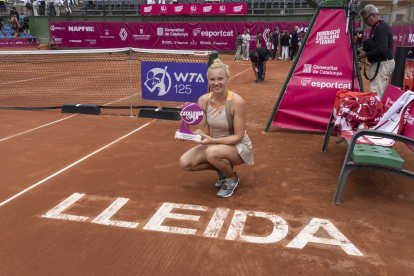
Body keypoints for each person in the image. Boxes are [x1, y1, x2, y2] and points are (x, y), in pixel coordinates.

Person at [178, 59, 254, 198]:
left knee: (211, 152)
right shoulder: (203, 100)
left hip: (238, 146)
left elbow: (238, 136)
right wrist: (188, 134)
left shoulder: (237, 102)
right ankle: (222, 169)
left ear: (227, 79)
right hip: (215, 143)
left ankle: (231, 178)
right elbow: (203, 131)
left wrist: (213, 141)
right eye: (212, 79)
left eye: (220, 79)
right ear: (208, 80)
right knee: (185, 163)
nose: (216, 83)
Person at [358, 4, 394, 97]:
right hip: (380, 64)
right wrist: (363, 49)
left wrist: (365, 54)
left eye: (365, 19)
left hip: (382, 64)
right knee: (378, 92)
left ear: (373, 15)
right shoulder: (376, 27)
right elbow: (376, 45)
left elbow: (382, 49)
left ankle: (375, 111)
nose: (365, 22)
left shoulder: (381, 28)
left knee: (375, 95)